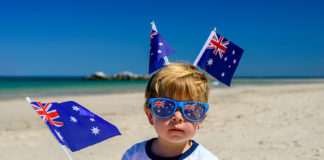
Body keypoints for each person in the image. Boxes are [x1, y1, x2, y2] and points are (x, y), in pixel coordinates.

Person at [122, 63, 218, 160]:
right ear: (150, 115)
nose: (178, 117)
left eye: (190, 109)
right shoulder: (134, 155)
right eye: (165, 107)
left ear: (200, 119)